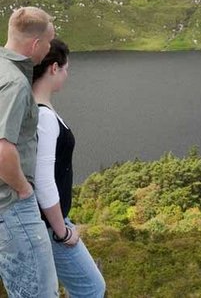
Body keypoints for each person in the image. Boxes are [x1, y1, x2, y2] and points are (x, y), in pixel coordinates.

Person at [33, 39, 106, 298]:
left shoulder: (32, 107)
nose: (67, 74)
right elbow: (43, 182)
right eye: (65, 68)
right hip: (50, 226)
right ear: (53, 68)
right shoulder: (44, 117)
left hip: (43, 223)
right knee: (91, 288)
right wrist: (63, 233)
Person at [0, 6, 59, 297]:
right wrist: (24, 191)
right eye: (48, 43)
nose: (49, 49)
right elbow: (2, 151)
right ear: (36, 44)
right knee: (39, 291)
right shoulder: (14, 83)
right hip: (12, 205)